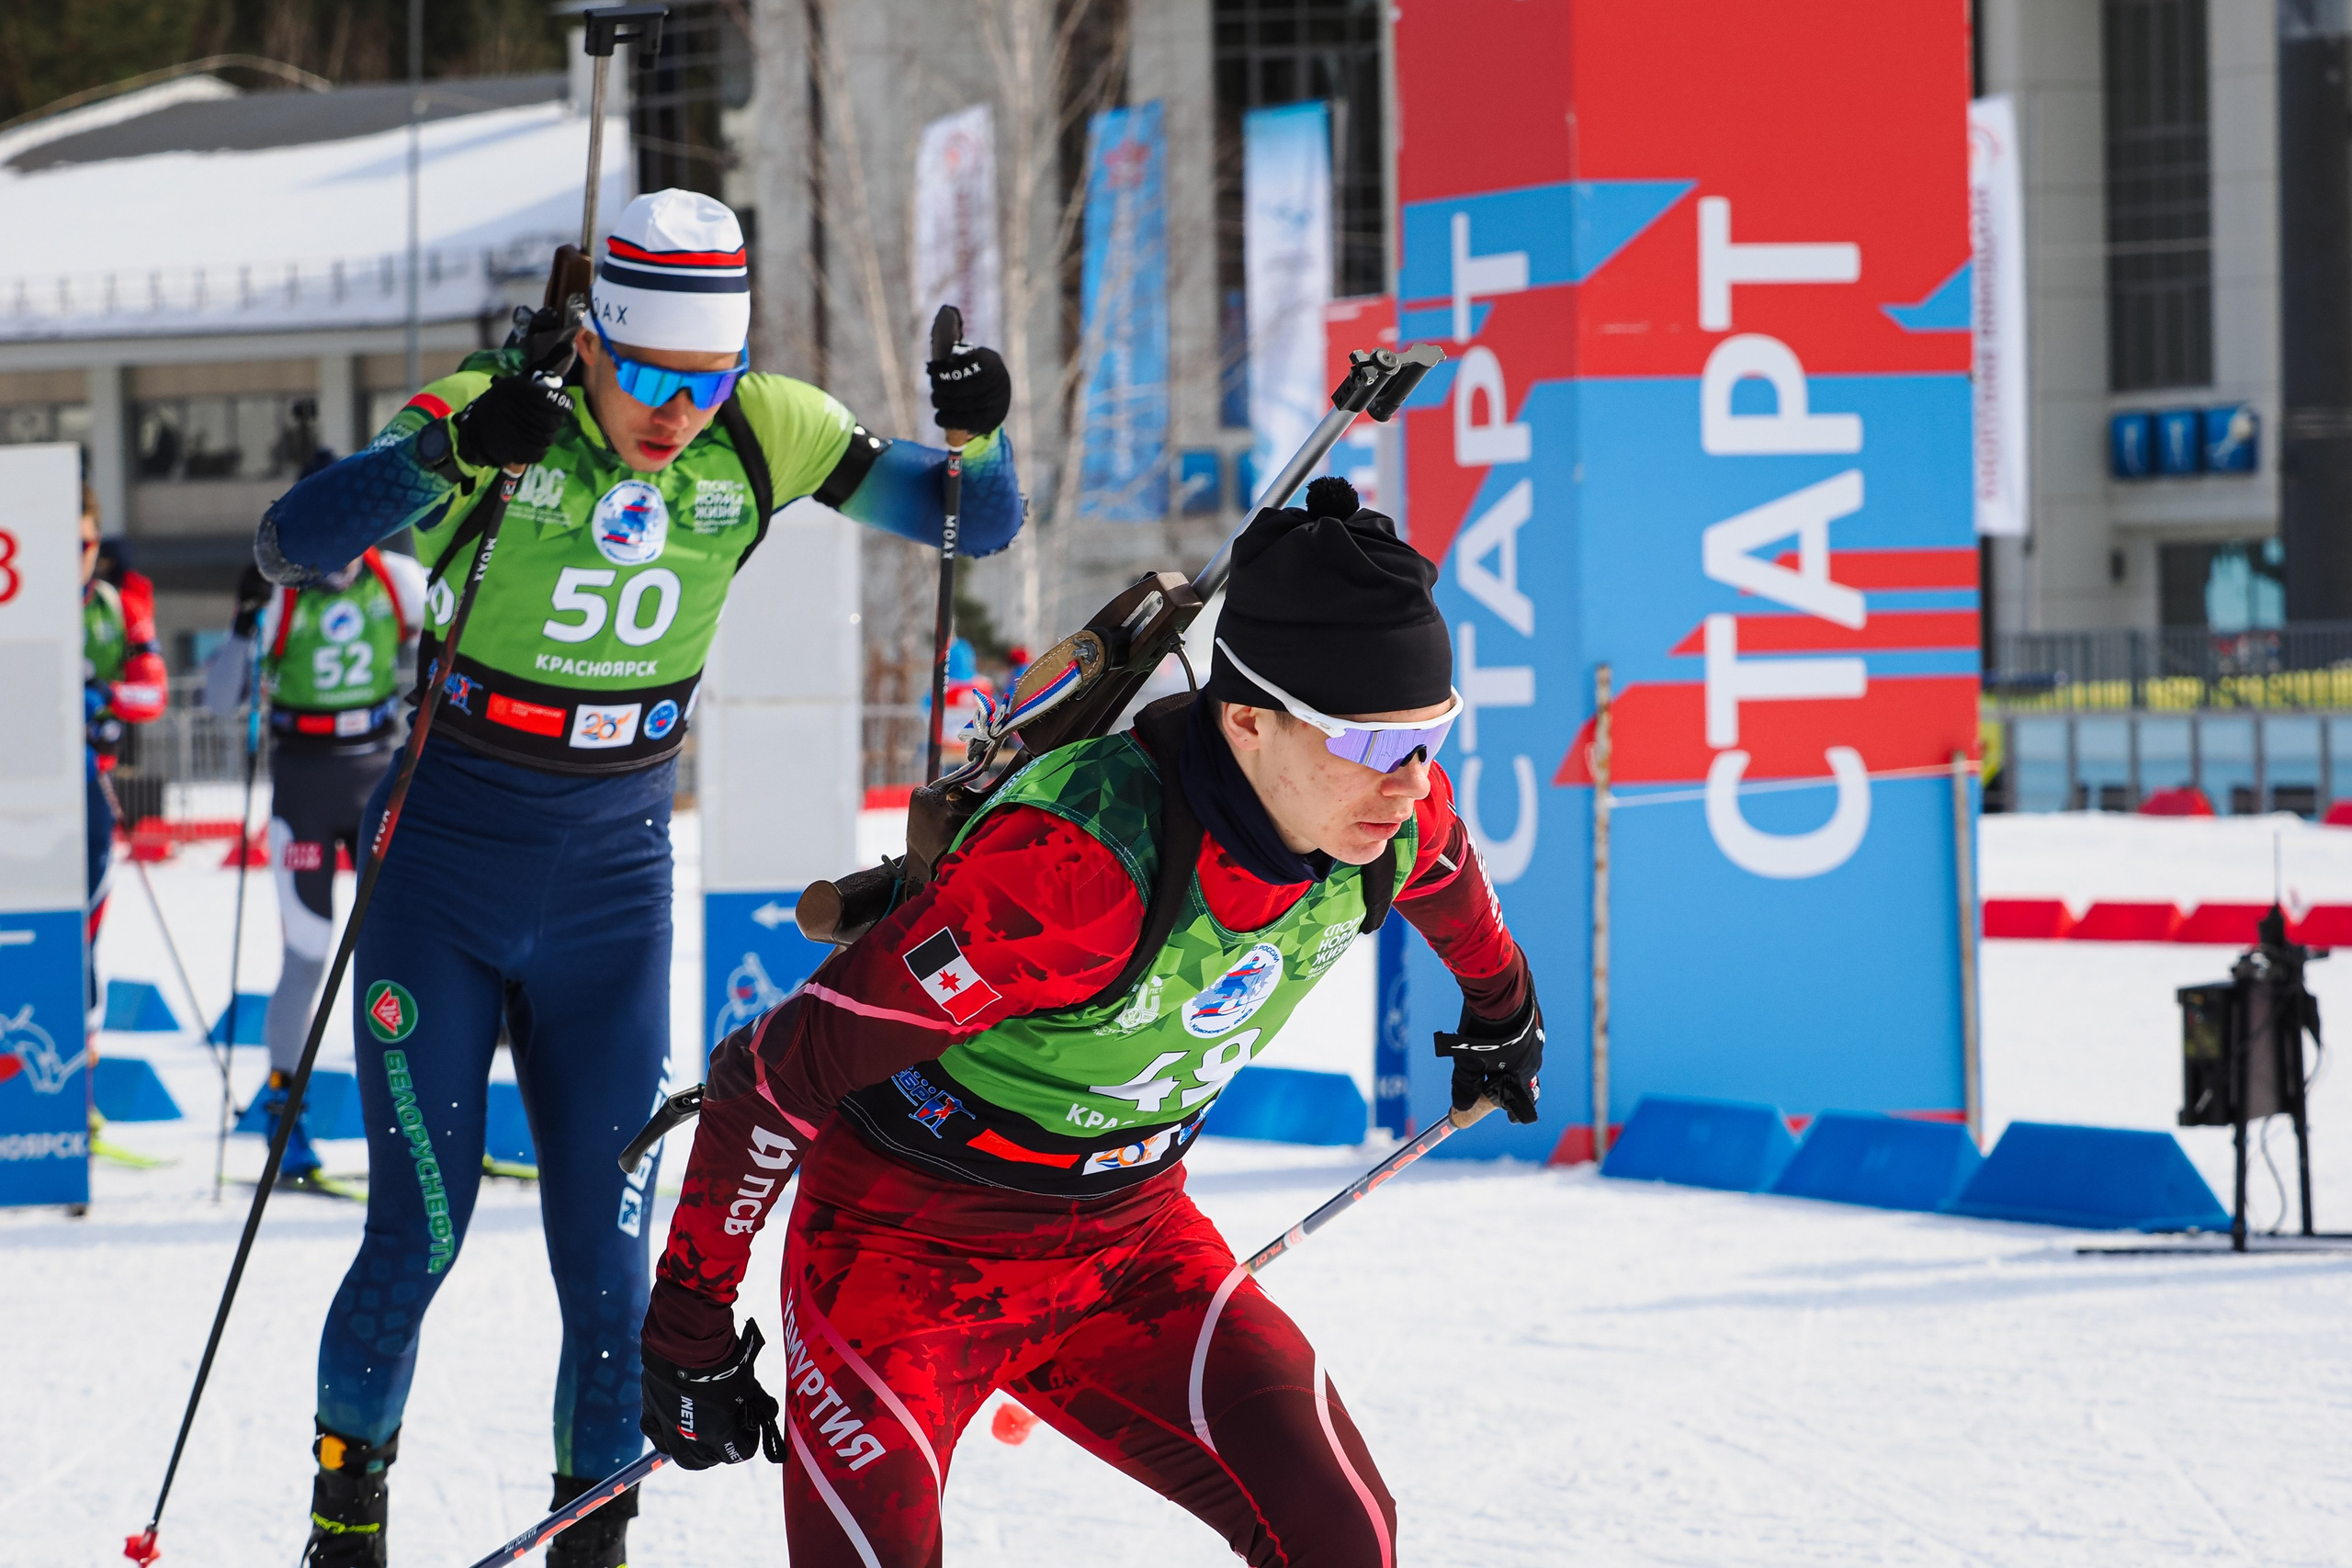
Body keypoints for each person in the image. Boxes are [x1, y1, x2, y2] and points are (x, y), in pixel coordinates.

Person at [252, 188, 1020, 1568]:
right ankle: (345, 1530)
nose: (675, 411)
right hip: (445, 872)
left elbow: (977, 524)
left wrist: (981, 432)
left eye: (705, 375)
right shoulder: (496, 405)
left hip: (612, 887)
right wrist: (450, 454)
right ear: (593, 340)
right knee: (414, 1236)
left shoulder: (762, 425)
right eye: (649, 375)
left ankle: (590, 1546)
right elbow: (292, 541)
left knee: (612, 1282)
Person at [639, 476, 1544, 1567]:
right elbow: (778, 1074)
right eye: (1363, 745)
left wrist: (1503, 1008)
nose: (1404, 784)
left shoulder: (1387, 816)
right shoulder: (1072, 875)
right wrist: (690, 1324)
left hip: (1128, 1248)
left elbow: (1449, 876)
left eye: (1426, 739)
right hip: (902, 1262)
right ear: (1247, 720)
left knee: (1343, 1535)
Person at [202, 543, 427, 1185]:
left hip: (378, 777)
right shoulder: (283, 591)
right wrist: (245, 623)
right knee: (306, 950)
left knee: (410, 949)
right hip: (303, 785)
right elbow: (220, 702)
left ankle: (431, 1109)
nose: (344, 556)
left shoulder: (395, 576)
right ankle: (283, 1110)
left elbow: (450, 643)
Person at [82, 494, 167, 1005]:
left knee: (87, 926)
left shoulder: (120, 606)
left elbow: (154, 694)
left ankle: (84, 1043)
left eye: (88, 544)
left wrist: (106, 694)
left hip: (92, 779)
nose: (78, 555)